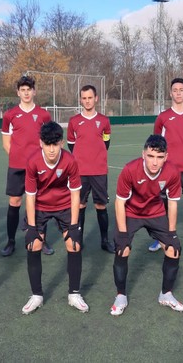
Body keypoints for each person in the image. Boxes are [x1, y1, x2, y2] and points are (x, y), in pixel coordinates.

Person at [110, 135, 183, 316]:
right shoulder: (130, 170)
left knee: (173, 249)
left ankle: (166, 294)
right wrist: (122, 233)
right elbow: (119, 202)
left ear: (166, 157)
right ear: (143, 154)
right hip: (131, 212)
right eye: (150, 156)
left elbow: (173, 203)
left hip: (156, 212)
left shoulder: (172, 172)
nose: (154, 162)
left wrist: (172, 233)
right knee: (122, 248)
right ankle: (121, 295)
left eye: (159, 157)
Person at [21, 121, 88, 314]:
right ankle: (36, 295)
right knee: (33, 244)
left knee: (73, 244)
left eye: (55, 144)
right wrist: (32, 228)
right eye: (48, 144)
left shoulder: (70, 160)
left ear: (62, 142)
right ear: (41, 142)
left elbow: (75, 194)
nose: (52, 150)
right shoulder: (33, 161)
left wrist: (74, 226)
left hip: (64, 205)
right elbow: (31, 196)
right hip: (40, 206)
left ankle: (74, 294)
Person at [148, 78, 183, 253]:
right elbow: (157, 142)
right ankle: (161, 238)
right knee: (163, 205)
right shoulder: (163, 117)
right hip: (168, 169)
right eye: (175, 90)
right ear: (170, 93)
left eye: (181, 90)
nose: (178, 93)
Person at [0, 76, 53, 257]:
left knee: (40, 202)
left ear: (34, 91)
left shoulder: (44, 115)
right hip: (16, 167)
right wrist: (17, 158)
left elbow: (48, 140)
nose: (26, 92)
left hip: (38, 168)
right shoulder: (10, 115)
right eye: (23, 90)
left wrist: (38, 161)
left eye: (29, 89)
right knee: (15, 202)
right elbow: (6, 142)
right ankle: (11, 241)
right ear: (18, 92)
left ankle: (41, 239)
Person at [67, 84, 115, 253]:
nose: (87, 101)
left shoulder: (104, 121)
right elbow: (71, 145)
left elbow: (106, 142)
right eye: (84, 98)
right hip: (79, 172)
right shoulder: (74, 121)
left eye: (90, 97)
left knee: (101, 206)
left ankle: (104, 240)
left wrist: (96, 157)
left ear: (96, 98)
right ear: (81, 99)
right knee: (79, 205)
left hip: (99, 171)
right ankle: (78, 240)